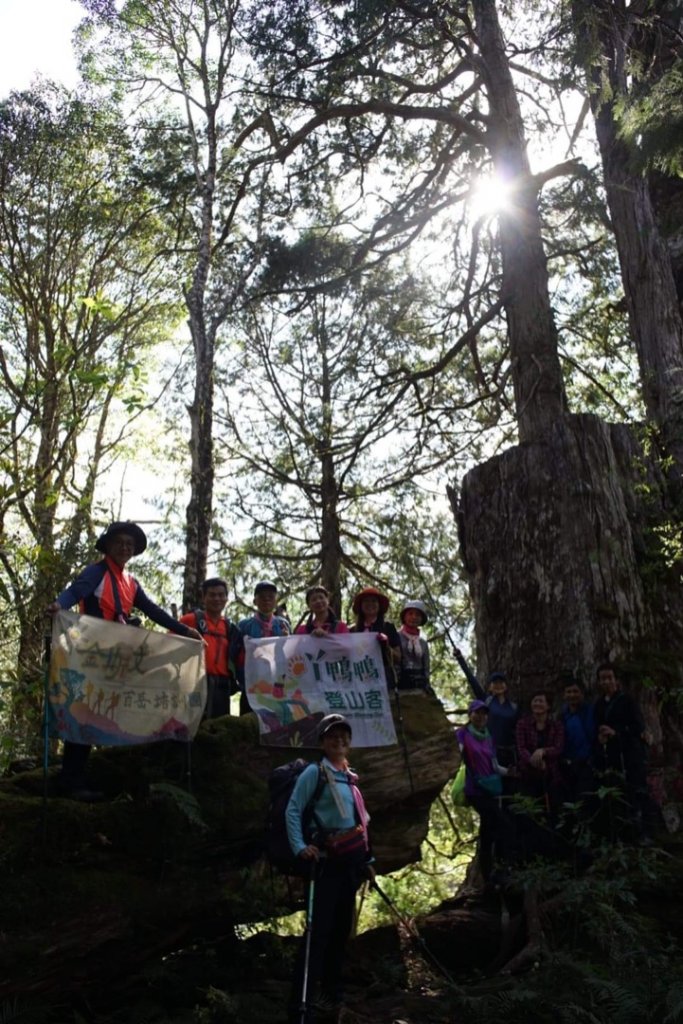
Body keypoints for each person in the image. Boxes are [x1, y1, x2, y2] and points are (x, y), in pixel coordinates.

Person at [47, 520, 202, 800]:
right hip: (91, 657)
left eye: (129, 545)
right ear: (108, 545)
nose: (124, 548)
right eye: (119, 542)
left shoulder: (130, 582)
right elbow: (76, 590)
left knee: (109, 713)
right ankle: (70, 781)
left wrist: (183, 630)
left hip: (118, 660)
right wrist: (60, 604)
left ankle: (89, 775)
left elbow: (152, 610)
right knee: (85, 711)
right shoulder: (97, 572)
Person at [285, 714, 374, 1023]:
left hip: (350, 863)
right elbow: (293, 810)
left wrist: (368, 860)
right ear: (323, 741)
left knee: (339, 932)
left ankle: (332, 992)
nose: (340, 740)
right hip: (325, 863)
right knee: (318, 933)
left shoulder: (350, 776)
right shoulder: (315, 772)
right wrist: (300, 847)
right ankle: (302, 1003)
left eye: (344, 735)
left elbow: (361, 821)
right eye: (333, 736)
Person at [593, 662, 655, 842]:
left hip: (631, 754)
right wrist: (601, 737)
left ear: (616, 680)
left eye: (609, 678)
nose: (606, 682)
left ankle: (645, 834)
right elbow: (597, 727)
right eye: (602, 679)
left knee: (638, 792)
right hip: (612, 755)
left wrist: (617, 732)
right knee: (617, 794)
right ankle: (623, 834)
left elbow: (638, 727)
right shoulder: (599, 704)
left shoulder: (627, 700)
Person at [456, 700, 514, 883]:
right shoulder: (463, 733)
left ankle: (489, 878)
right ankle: (502, 870)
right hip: (475, 789)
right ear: (470, 715)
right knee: (504, 825)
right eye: (477, 713)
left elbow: (494, 765)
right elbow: (456, 754)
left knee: (487, 833)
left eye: (484, 714)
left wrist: (509, 772)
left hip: (491, 788)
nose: (480, 717)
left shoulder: (489, 736)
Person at [178, 578, 243, 718]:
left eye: (221, 595)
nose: (217, 599)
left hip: (222, 686)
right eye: (212, 595)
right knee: (192, 722)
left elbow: (240, 657)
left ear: (226, 598)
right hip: (194, 683)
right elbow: (171, 644)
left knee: (219, 727)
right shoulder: (189, 620)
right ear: (203, 597)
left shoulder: (230, 628)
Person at [453, 648, 518, 768]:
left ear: (506, 686)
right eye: (495, 683)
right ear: (490, 688)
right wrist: (460, 659)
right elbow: (471, 680)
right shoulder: (486, 701)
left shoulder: (514, 707)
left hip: (510, 753)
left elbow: (517, 730)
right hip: (489, 751)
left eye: (501, 682)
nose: (498, 685)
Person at [236, 580, 290, 714]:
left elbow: (290, 653)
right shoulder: (244, 625)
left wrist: (286, 640)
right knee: (250, 722)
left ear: (275, 601)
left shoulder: (283, 624)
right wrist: (242, 679)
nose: (267, 600)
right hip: (252, 685)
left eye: (271, 597)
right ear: (255, 601)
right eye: (262, 597)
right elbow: (236, 654)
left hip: (278, 685)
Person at [516, 691, 565, 814]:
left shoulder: (556, 725)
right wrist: (534, 761)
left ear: (548, 706)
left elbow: (558, 748)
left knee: (553, 811)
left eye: (541, 701)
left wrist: (543, 751)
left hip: (551, 775)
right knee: (531, 812)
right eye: (535, 701)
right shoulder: (523, 724)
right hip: (528, 775)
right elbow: (521, 748)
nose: (537, 704)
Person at [349, 586, 401, 681]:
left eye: (374, 601)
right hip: (358, 678)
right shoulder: (352, 631)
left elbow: (398, 658)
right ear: (361, 605)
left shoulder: (388, 627)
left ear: (379, 605)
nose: (370, 604)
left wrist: (386, 646)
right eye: (366, 601)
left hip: (383, 679)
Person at [559, 677, 596, 805]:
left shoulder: (590, 712)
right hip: (568, 764)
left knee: (584, 799)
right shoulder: (562, 715)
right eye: (568, 692)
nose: (572, 695)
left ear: (582, 694)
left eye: (575, 691)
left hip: (587, 763)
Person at [397, 600, 432, 692]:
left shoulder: (423, 643)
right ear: (404, 617)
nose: (414, 617)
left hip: (419, 684)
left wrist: (427, 683)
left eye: (418, 615)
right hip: (400, 683)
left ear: (421, 619)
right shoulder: (396, 637)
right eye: (410, 613)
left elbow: (426, 667)